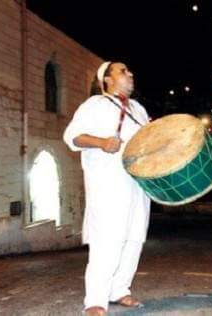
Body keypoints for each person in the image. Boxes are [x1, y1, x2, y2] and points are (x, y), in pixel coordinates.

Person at [63, 61, 151, 316]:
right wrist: (101, 142)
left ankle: (120, 290)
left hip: (138, 184)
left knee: (134, 238)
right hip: (108, 184)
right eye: (123, 71)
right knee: (107, 240)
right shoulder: (95, 105)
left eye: (129, 69)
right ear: (107, 80)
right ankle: (95, 300)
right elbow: (72, 137)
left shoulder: (138, 109)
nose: (130, 73)